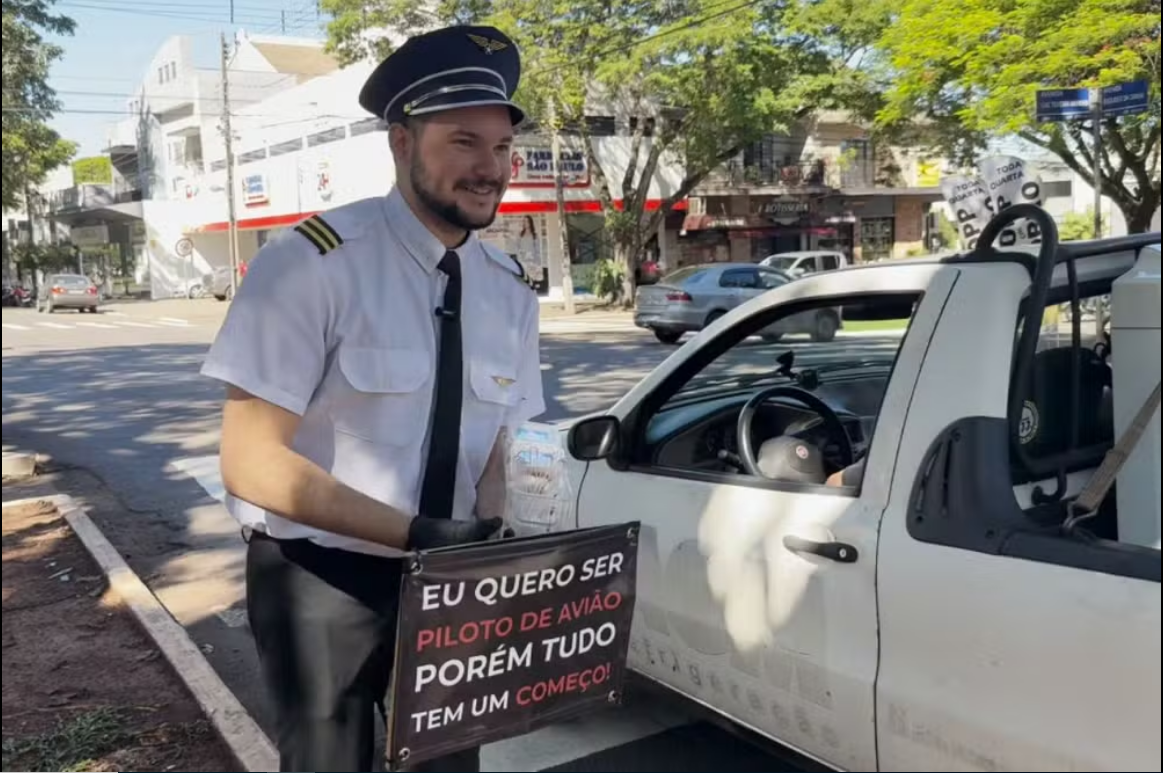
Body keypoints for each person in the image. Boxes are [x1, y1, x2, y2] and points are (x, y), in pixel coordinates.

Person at [199, 24, 544, 773]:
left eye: (501, 148)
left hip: (450, 577)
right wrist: (416, 531)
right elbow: (249, 459)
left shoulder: (511, 292)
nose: (490, 169)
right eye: (463, 142)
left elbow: (502, 443)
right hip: (321, 576)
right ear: (400, 142)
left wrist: (485, 536)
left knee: (450, 763)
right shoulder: (311, 264)